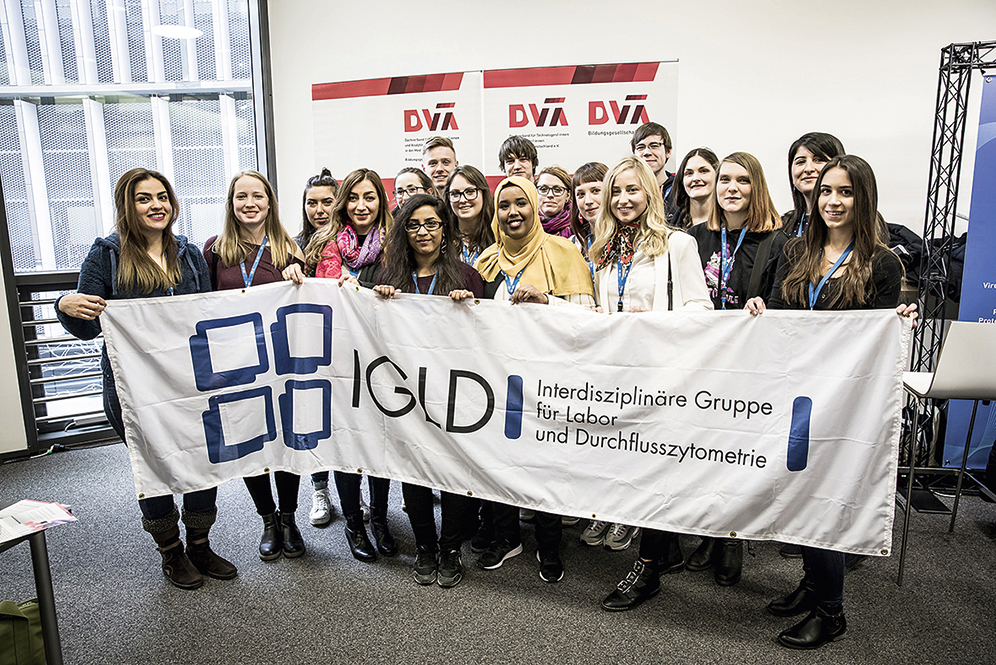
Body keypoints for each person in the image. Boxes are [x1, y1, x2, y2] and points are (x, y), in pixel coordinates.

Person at [745, 154, 918, 649]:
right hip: (793, 395)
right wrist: (761, 308)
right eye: (826, 191)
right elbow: (781, 313)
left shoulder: (882, 262)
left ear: (864, 199)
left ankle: (831, 611)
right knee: (798, 492)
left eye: (846, 192)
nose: (834, 201)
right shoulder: (797, 250)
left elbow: (874, 339)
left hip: (841, 402)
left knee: (823, 498)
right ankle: (812, 583)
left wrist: (896, 323)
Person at [56, 168, 237, 590]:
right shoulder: (106, 255)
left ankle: (200, 544)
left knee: (201, 459)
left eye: (162, 197)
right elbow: (87, 326)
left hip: (190, 381)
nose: (157, 205)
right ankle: (171, 552)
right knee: (154, 464)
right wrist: (64, 303)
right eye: (144, 198)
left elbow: (205, 314)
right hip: (133, 387)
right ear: (128, 206)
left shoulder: (188, 253)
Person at [458, 175, 594, 582]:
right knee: (499, 462)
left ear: (535, 207)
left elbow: (588, 320)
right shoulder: (486, 261)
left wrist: (546, 301)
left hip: (548, 381)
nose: (512, 212)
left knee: (544, 464)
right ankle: (507, 536)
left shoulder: (563, 253)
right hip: (498, 382)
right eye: (504, 205)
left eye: (521, 203)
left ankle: (549, 545)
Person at [592, 157, 713, 612]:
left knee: (656, 474)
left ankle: (647, 569)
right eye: (616, 191)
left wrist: (656, 321)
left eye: (633, 190)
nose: (623, 199)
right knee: (631, 471)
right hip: (618, 378)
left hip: (662, 378)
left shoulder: (677, 244)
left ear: (650, 193)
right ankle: (662, 552)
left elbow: (701, 309)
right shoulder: (604, 250)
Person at [369, 194, 485, 588]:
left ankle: (450, 548)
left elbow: (488, 337)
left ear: (445, 229)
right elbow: (371, 333)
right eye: (414, 224)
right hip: (407, 394)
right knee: (414, 470)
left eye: (432, 224)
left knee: (453, 469)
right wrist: (380, 302)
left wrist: (469, 307)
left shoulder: (466, 276)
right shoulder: (390, 277)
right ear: (404, 231)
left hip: (453, 393)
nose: (423, 232)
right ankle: (425, 547)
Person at [684, 152, 785, 585]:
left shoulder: (777, 242)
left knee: (737, 453)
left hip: (749, 365)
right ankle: (710, 531)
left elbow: (784, 301)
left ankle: (732, 538)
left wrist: (768, 307)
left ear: (756, 186)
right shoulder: (695, 238)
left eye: (742, 180)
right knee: (704, 451)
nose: (731, 188)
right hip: (704, 361)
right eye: (724, 179)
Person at [203, 169, 307, 562]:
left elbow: (305, 306)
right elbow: (199, 304)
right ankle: (267, 519)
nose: (250, 203)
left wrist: (299, 277)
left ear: (269, 202)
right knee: (248, 441)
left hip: (281, 363)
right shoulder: (215, 250)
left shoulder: (288, 248)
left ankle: (289, 517)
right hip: (235, 364)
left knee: (286, 440)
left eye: (257, 196)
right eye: (241, 196)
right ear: (231, 204)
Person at [299, 168, 398, 562]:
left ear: (380, 202)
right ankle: (354, 524)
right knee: (344, 442)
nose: (361, 205)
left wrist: (379, 291)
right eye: (353, 197)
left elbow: (406, 293)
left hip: (380, 361)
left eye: (369, 197)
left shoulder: (395, 245)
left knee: (379, 442)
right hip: (336, 359)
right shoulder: (322, 245)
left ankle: (381, 519)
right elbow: (306, 299)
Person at [782, 133, 845, 239]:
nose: (808, 169)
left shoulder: (856, 222)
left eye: (818, 160)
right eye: (800, 162)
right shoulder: (781, 226)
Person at [442, 165, 495, 268]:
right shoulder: (443, 238)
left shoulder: (498, 234)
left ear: (483, 193)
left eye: (470, 192)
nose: (462, 200)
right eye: (455, 194)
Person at [569, 161, 607, 288]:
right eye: (581, 194)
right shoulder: (573, 245)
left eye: (595, 191)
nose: (588, 201)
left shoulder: (626, 240)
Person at [665, 148, 719, 230]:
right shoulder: (668, 225)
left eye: (703, 171)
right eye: (689, 173)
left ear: (717, 176)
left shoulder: (730, 223)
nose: (695, 178)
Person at [295, 168, 339, 253]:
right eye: (312, 203)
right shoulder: (294, 248)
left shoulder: (351, 245)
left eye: (327, 202)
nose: (319, 210)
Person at [631, 121, 674, 199]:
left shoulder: (681, 190)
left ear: (668, 152)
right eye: (640, 147)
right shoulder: (626, 190)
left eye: (654, 146)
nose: (647, 152)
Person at [536, 165, 573, 239]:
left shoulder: (578, 228)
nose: (550, 195)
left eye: (557, 190)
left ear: (568, 196)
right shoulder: (526, 226)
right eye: (543, 189)